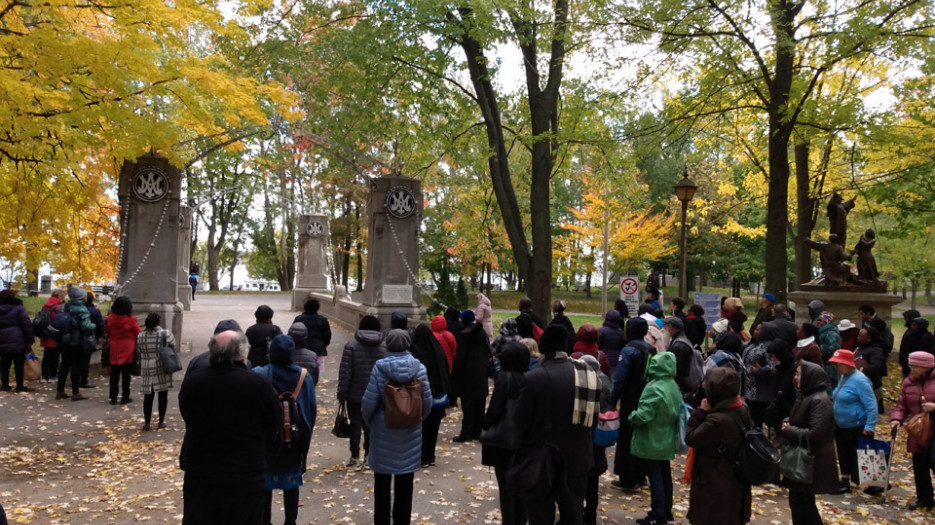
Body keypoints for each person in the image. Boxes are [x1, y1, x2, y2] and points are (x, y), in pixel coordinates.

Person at [178, 329, 280, 524]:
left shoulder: (194, 382)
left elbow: (187, 415)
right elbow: (272, 423)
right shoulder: (258, 384)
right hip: (245, 476)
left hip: (201, 475)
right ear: (243, 352)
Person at [514, 325, 599, 525]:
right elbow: (593, 420)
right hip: (578, 457)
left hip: (541, 461)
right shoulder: (588, 375)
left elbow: (519, 422)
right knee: (572, 514)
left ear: (543, 349)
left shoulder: (533, 379)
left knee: (540, 516)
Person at [361, 329, 432, 525]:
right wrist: (416, 418)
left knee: (382, 485)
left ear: (388, 345)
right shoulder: (419, 368)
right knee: (405, 485)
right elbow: (427, 403)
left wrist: (369, 423)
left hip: (383, 432)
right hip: (410, 433)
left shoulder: (379, 368)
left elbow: (369, 402)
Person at [252, 335, 317, 525]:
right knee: (291, 483)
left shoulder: (260, 374)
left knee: (265, 483)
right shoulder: (304, 377)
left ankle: (265, 520)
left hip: (267, 438)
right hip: (294, 439)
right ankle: (290, 521)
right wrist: (305, 442)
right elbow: (310, 411)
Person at [685, 367, 752, 525]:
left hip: (714, 482)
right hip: (734, 479)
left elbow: (691, 438)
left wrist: (700, 412)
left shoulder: (717, 420)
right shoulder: (741, 407)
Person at [781, 361, 839, 524]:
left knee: (802, 503)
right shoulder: (807, 396)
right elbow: (801, 419)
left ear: (810, 377)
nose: (796, 378)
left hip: (812, 461)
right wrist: (789, 422)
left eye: (799, 374)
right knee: (799, 501)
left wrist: (789, 430)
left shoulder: (819, 400)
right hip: (805, 459)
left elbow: (816, 432)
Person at [629, 351, 681, 525]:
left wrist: (632, 416)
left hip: (651, 437)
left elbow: (644, 415)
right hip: (666, 437)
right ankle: (666, 511)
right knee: (665, 474)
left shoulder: (654, 387)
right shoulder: (673, 385)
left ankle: (657, 514)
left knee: (655, 476)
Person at [481, 341, 529, 525]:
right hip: (523, 440)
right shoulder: (530, 378)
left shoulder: (504, 378)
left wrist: (485, 424)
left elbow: (495, 409)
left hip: (503, 442)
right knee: (521, 487)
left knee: (506, 488)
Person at [337, 315, 386, 469]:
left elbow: (345, 372)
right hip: (376, 394)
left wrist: (342, 393)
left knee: (355, 425)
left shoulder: (351, 345)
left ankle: (354, 456)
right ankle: (369, 456)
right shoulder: (384, 346)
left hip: (354, 393)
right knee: (371, 425)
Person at [610, 317, 653, 491]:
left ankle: (627, 478)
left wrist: (613, 400)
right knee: (641, 437)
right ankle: (641, 475)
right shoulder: (651, 349)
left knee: (626, 438)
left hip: (630, 399)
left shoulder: (628, 351)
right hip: (646, 398)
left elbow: (620, 379)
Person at [890, 351, 935, 512]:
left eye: (915, 366)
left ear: (926, 366)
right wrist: (896, 419)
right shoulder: (909, 382)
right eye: (911, 365)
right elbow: (902, 405)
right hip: (918, 430)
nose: (912, 369)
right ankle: (924, 500)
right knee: (919, 467)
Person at [828, 349, 877, 494]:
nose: (835, 367)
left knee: (861, 455)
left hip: (856, 425)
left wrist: (870, 426)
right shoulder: (843, 376)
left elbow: (871, 405)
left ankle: (875, 482)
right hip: (841, 424)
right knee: (843, 452)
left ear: (847, 364)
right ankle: (844, 481)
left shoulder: (860, 380)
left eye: (838, 364)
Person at [409, 324, 450, 467]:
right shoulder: (438, 349)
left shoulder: (416, 351)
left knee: (423, 427)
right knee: (434, 427)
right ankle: (430, 455)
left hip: (424, 395)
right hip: (440, 394)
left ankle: (422, 456)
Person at [579, 354, 611, 525]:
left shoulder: (579, 387)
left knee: (577, 482)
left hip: (582, 440)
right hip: (597, 441)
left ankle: (577, 514)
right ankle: (590, 515)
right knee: (593, 483)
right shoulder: (603, 386)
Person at [453, 310, 492, 442]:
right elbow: (488, 351)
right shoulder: (482, 333)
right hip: (481, 373)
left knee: (468, 405)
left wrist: (456, 372)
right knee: (480, 404)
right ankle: (478, 431)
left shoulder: (463, 335)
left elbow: (460, 357)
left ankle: (466, 432)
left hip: (467, 375)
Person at [56, 286, 96, 401]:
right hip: (77, 341)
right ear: (82, 298)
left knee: (64, 366)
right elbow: (85, 326)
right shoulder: (82, 310)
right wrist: (93, 326)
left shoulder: (64, 307)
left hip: (64, 340)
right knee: (76, 367)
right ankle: (75, 392)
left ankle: (60, 390)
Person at [137, 313, 176, 429]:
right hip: (161, 366)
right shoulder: (165, 334)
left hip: (146, 367)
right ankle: (161, 421)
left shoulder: (140, 336)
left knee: (148, 397)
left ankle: (147, 422)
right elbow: (173, 344)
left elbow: (139, 349)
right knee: (162, 395)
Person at [741, 322, 777, 428]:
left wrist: (757, 371)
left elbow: (773, 367)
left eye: (757, 330)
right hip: (748, 389)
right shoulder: (753, 343)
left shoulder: (769, 347)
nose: (754, 331)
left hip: (760, 392)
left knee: (758, 420)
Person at [105, 296, 140, 405]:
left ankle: (113, 397)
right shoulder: (131, 319)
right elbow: (138, 333)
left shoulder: (111, 318)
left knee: (114, 374)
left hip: (115, 347)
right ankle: (125, 396)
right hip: (128, 349)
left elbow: (108, 331)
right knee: (126, 375)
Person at [0, 289, 34, 393]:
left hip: (2, 339)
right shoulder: (19, 308)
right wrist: (30, 339)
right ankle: (20, 386)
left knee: (4, 364)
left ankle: (5, 385)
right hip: (18, 339)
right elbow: (26, 325)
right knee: (19, 364)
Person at [764, 339, 797, 432]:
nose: (772, 359)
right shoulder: (779, 368)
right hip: (779, 409)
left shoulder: (793, 370)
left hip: (789, 411)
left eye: (773, 356)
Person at [293, 298, 332, 373]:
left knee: (301, 372)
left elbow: (293, 333)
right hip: (318, 350)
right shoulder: (323, 320)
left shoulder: (299, 319)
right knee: (317, 371)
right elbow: (327, 336)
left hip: (301, 350)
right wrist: (323, 345)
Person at [853, 326, 886, 414]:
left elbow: (876, 366)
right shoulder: (859, 348)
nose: (858, 338)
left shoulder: (876, 350)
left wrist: (860, 370)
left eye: (861, 336)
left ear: (869, 338)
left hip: (871, 386)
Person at [662, 316, 696, 400]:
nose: (664, 328)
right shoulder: (681, 340)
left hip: (681, 386)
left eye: (666, 325)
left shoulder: (678, 345)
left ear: (671, 328)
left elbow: (676, 369)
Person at [38, 289, 66, 382]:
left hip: (45, 334)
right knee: (55, 356)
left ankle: (44, 376)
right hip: (55, 334)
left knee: (46, 355)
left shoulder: (45, 306)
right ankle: (53, 375)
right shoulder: (59, 307)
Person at [80, 291, 105, 388]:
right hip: (89, 338)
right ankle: (83, 380)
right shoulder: (94, 311)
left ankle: (76, 379)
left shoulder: (76, 309)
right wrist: (98, 336)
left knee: (77, 360)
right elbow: (100, 326)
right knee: (85, 360)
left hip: (77, 337)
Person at [816, 311, 841, 391]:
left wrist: (817, 349)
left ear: (826, 322)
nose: (817, 322)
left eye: (820, 320)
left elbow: (833, 348)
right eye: (818, 320)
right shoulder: (822, 332)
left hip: (829, 367)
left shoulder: (831, 333)